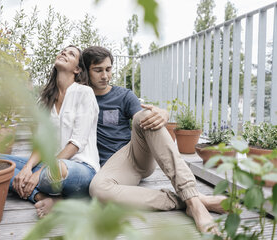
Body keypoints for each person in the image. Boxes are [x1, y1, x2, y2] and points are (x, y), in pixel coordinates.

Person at [82, 46, 225, 233]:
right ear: (86, 71)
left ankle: (195, 204)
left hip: (133, 156)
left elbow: (146, 117)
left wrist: (163, 113)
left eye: (108, 69)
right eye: (98, 70)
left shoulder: (123, 95)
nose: (105, 75)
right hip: (110, 170)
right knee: (98, 190)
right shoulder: (81, 97)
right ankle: (191, 200)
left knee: (144, 116)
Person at [2, 45, 100, 218]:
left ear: (77, 69)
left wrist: (38, 173)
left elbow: (76, 143)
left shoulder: (84, 93)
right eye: (63, 50)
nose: (64, 53)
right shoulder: (45, 98)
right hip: (49, 166)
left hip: (79, 169)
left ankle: (39, 186)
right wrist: (27, 168)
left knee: (55, 171)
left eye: (71, 54)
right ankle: (42, 197)